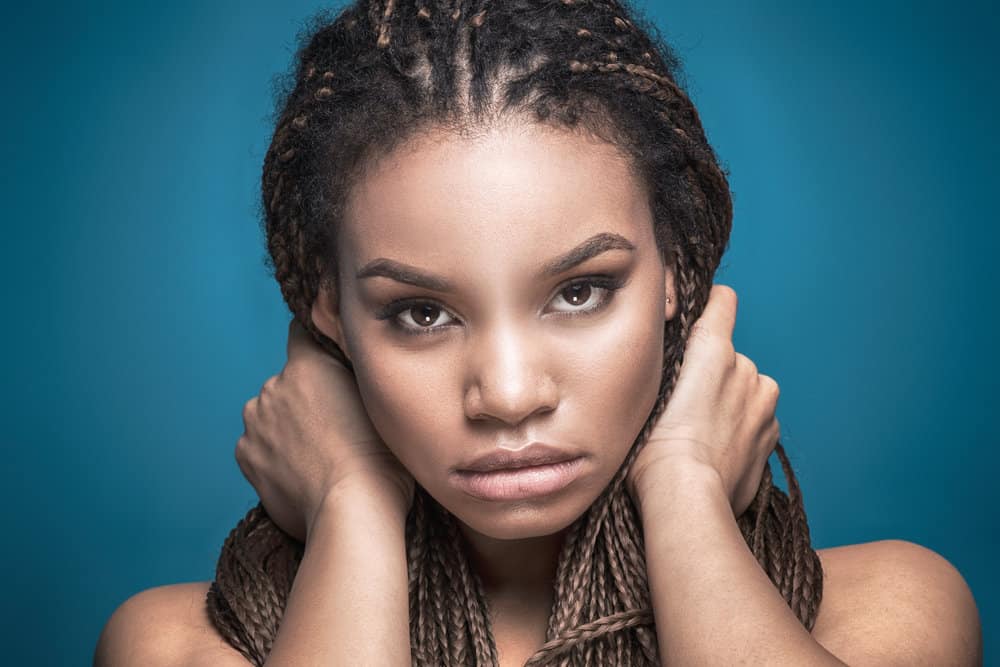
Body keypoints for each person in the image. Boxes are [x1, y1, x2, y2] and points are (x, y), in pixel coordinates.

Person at [94, 1, 982, 665]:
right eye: (421, 312)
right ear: (327, 309)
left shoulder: (888, 613)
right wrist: (352, 500)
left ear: (680, 270)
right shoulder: (174, 643)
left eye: (581, 291)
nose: (510, 394)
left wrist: (682, 481)